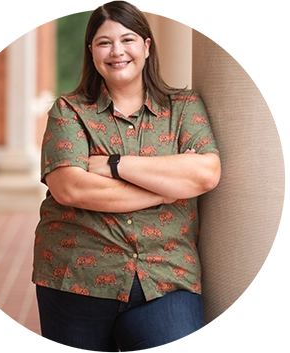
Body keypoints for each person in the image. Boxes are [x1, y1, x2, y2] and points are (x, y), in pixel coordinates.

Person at [32, 1, 221, 352]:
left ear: (147, 47)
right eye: (104, 42)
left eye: (128, 39)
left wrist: (114, 165)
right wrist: (165, 190)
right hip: (76, 278)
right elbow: (70, 187)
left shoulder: (184, 107)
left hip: (165, 278)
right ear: (91, 51)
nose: (116, 51)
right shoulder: (69, 111)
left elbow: (205, 173)